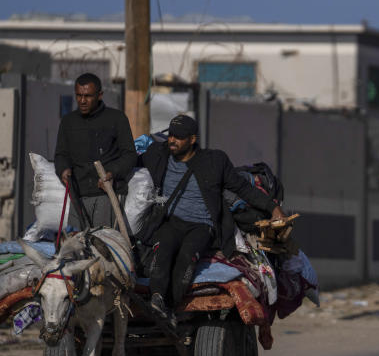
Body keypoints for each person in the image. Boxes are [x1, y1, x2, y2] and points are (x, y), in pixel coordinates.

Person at [139, 114, 286, 319]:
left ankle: (171, 309)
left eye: (179, 137)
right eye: (171, 135)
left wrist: (272, 208)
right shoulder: (158, 154)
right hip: (170, 221)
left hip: (201, 226)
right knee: (162, 252)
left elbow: (243, 188)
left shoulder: (214, 161)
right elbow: (129, 160)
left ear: (192, 139)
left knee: (185, 259)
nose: (172, 140)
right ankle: (157, 300)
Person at [54, 73, 136, 229]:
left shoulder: (117, 119)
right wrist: (63, 169)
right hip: (78, 194)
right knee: (76, 245)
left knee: (101, 245)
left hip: (106, 194)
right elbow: (61, 154)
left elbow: (129, 154)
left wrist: (111, 172)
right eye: (78, 95)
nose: (82, 101)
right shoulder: (68, 122)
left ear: (99, 95)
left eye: (88, 96)